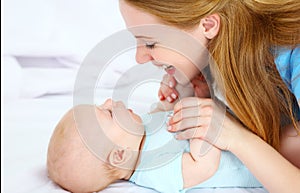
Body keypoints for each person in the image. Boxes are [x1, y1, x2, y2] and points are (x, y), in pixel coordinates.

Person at [119, 1, 300, 193]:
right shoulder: (225, 50)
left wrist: (238, 137)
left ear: (209, 25)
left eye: (150, 43)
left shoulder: (292, 51)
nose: (139, 58)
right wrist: (202, 93)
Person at [47, 99, 263, 193]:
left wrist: (170, 102)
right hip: (259, 159)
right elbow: (204, 167)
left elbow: (164, 117)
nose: (110, 101)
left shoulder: (140, 130)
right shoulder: (157, 169)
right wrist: (200, 128)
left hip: (252, 122)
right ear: (120, 155)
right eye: (109, 113)